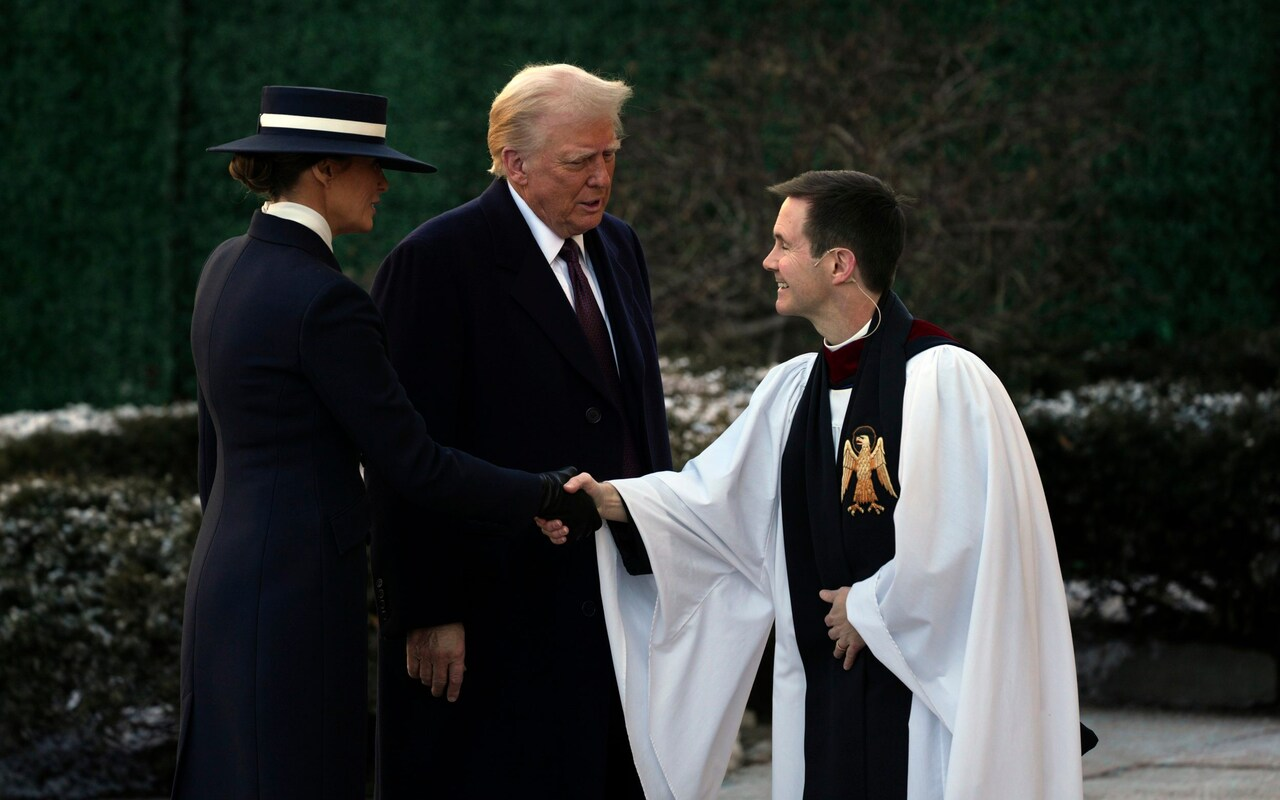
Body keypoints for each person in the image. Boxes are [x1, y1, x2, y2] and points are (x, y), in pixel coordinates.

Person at [541, 170, 1093, 798]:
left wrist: (869, 609)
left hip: (920, 711)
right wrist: (608, 499)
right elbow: (712, 503)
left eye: (783, 243)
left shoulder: (945, 382)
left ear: (838, 264)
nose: (767, 259)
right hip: (823, 694)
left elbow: (966, 548)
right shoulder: (792, 389)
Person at [175, 85, 599, 800]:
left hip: (222, 578)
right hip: (296, 595)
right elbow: (415, 464)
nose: (381, 183)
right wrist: (544, 490)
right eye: (371, 166)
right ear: (324, 171)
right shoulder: (326, 299)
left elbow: (212, 454)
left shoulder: (225, 266)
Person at [367, 64, 671, 798]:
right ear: (515, 163)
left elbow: (637, 414)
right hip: (495, 617)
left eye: (610, 156)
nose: (600, 177)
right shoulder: (436, 263)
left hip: (613, 605)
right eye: (579, 161)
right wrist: (429, 610)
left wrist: (659, 553)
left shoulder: (620, 246)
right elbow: (404, 456)